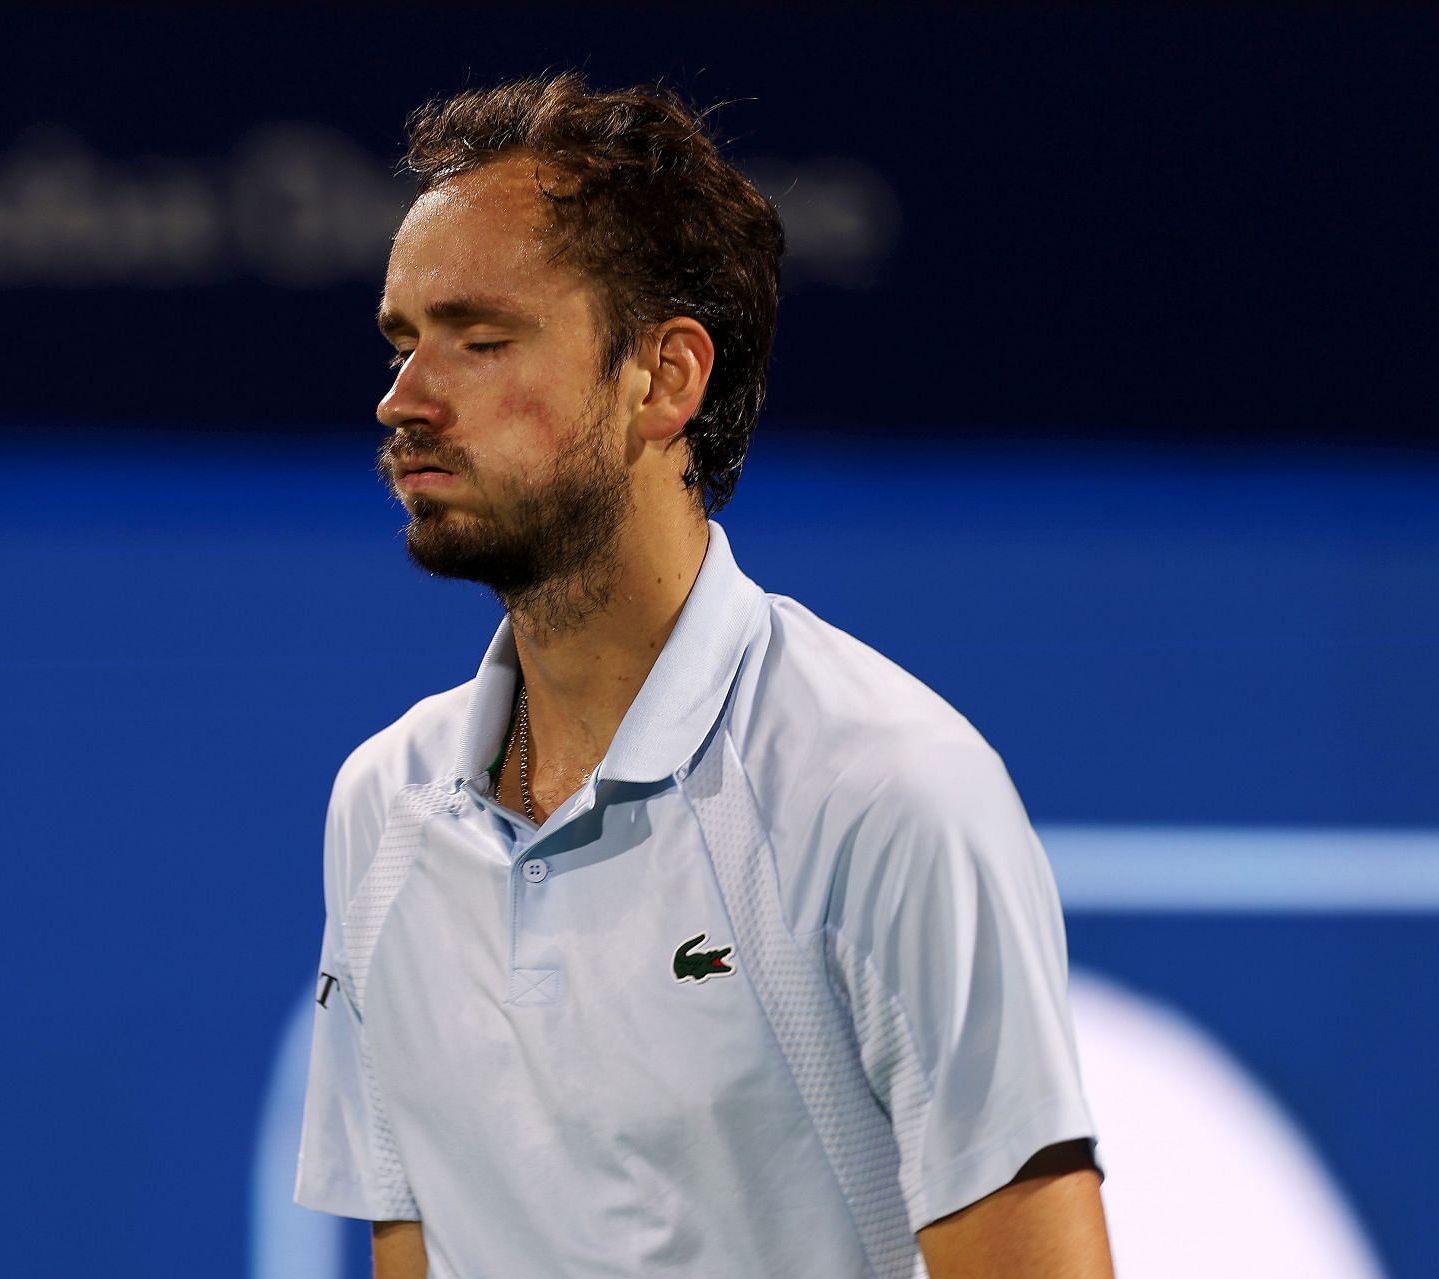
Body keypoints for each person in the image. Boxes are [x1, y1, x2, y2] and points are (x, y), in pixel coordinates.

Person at [295, 73, 1111, 1278]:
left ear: (666, 378)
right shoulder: (382, 809)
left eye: (478, 338)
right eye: (405, 343)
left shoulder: (888, 791)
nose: (403, 399)